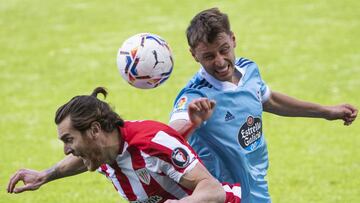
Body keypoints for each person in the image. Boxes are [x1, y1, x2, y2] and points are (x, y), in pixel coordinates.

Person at [168, 7, 358, 203]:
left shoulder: (248, 70)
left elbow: (270, 100)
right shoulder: (195, 96)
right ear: (194, 55)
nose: (220, 61)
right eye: (209, 56)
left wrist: (327, 111)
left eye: (224, 49)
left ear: (233, 39)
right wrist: (192, 123)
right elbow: (165, 140)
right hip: (222, 196)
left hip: (257, 191)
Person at [7, 87, 241, 203]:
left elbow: (213, 190)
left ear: (95, 130)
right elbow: (81, 158)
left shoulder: (152, 144)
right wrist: (44, 176)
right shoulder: (102, 152)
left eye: (69, 140)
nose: (67, 149)